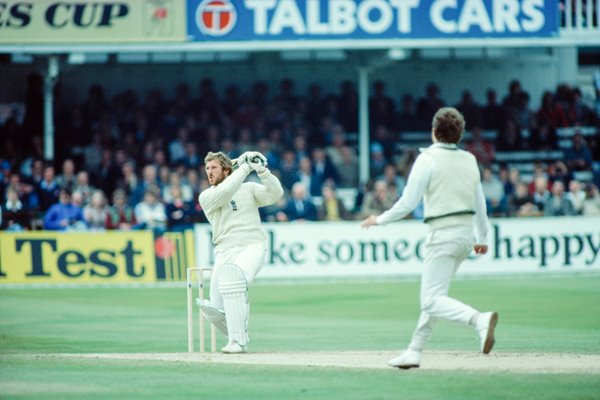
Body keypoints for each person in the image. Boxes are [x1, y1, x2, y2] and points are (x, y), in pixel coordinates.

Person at [361, 107, 497, 369]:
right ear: (459, 134)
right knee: (437, 295)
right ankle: (414, 350)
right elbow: (480, 204)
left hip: (443, 234)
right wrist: (483, 238)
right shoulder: (470, 159)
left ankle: (479, 320)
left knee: (430, 300)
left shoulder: (427, 158)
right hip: (466, 235)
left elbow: (407, 203)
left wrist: (378, 219)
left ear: (434, 131)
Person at [197, 150, 283, 354]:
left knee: (233, 279)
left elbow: (276, 194)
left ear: (226, 170)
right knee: (213, 309)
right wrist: (245, 166)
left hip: (252, 245)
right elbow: (225, 193)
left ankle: (238, 342)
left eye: (214, 167)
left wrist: (262, 170)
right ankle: (239, 333)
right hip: (224, 250)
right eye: (207, 168)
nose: (209, 171)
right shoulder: (207, 196)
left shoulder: (249, 188)